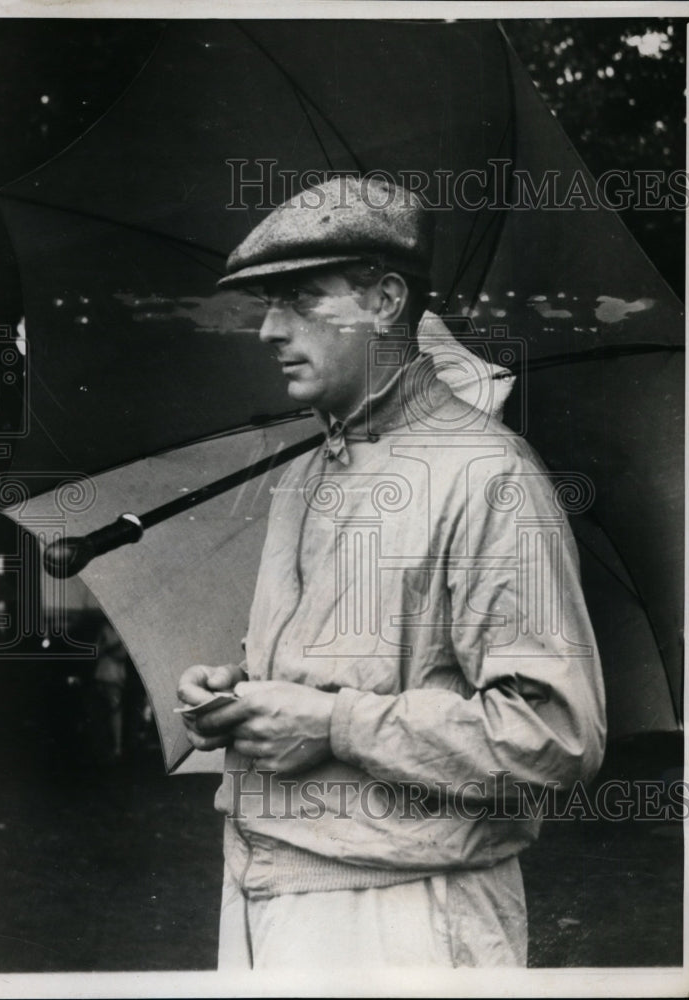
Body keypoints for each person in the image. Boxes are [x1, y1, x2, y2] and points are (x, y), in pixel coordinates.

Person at [177, 176, 606, 969]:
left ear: (384, 300)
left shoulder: (489, 474)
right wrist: (235, 693)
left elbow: (553, 738)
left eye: (303, 299)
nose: (269, 330)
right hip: (257, 887)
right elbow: (331, 666)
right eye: (267, 305)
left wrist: (331, 724)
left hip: (406, 916)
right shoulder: (301, 479)